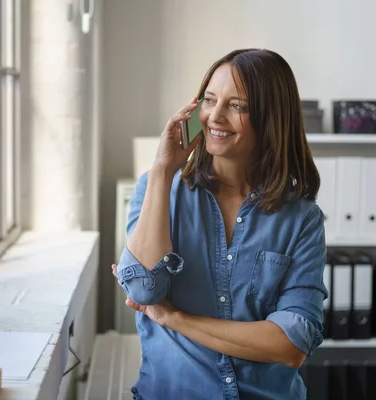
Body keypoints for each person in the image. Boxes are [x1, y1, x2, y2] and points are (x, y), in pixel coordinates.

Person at [111, 48, 327, 400]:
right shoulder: (160, 189)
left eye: (237, 105)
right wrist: (163, 170)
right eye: (210, 100)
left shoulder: (302, 220)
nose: (215, 116)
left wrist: (174, 318)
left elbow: (291, 344)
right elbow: (144, 291)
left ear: (270, 118)